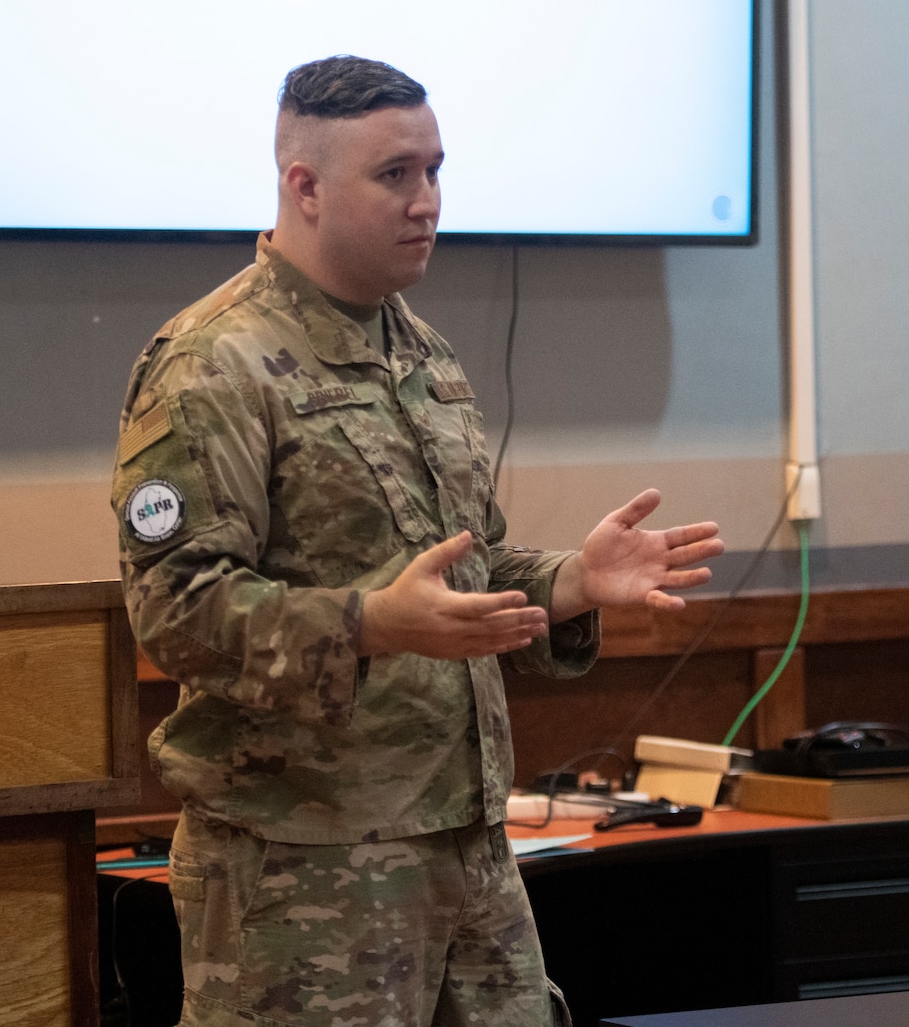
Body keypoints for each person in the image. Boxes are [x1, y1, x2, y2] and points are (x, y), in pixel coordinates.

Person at [111, 54, 725, 1026]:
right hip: (302, 865)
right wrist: (370, 623)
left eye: (435, 170)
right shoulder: (211, 363)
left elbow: (459, 579)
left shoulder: (420, 353)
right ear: (302, 187)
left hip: (467, 847)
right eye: (394, 174)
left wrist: (572, 580)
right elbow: (174, 613)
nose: (426, 201)